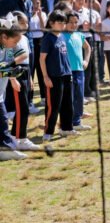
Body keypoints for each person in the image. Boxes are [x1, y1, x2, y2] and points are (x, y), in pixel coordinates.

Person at [39, 11, 78, 142]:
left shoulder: (62, 36)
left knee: (68, 104)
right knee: (53, 106)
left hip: (66, 74)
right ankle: (48, 131)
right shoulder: (48, 38)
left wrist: (69, 72)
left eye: (64, 22)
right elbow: (42, 59)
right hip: (54, 77)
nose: (62, 25)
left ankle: (66, 128)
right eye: (59, 22)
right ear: (51, 23)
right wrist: (45, 77)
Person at [4, 12, 39, 150]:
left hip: (25, 71)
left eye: (26, 22)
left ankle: (17, 136)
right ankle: (19, 138)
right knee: (21, 108)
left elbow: (27, 59)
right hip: (15, 72)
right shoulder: (11, 39)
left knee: (25, 107)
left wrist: (29, 77)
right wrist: (13, 78)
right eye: (22, 22)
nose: (26, 25)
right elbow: (9, 60)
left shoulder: (23, 38)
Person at [0, 14, 28, 160]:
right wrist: (9, 71)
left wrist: (10, 70)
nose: (17, 44)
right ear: (4, 37)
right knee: (3, 120)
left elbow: (23, 54)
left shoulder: (8, 46)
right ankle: (8, 149)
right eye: (15, 41)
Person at [64, 11, 92, 131]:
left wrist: (86, 60)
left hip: (79, 71)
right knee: (68, 98)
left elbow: (87, 47)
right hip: (67, 72)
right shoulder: (61, 36)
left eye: (75, 22)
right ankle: (66, 124)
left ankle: (77, 122)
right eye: (70, 22)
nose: (73, 25)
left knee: (79, 97)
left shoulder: (80, 35)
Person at [28, 0, 46, 111]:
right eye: (33, 3)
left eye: (38, 3)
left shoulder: (43, 14)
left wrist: (39, 16)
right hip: (30, 42)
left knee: (41, 70)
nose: (36, 5)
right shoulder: (27, 15)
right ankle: (30, 101)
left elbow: (44, 29)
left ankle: (44, 97)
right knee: (31, 72)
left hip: (40, 42)